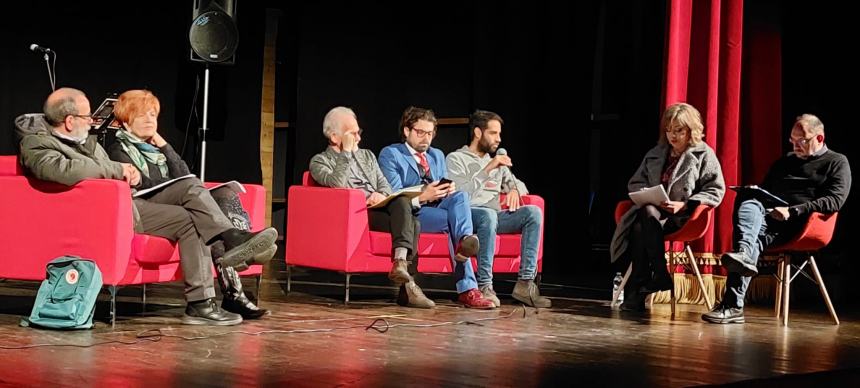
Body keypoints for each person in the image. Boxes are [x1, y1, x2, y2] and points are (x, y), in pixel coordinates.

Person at [16, 87, 278, 325]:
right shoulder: (37, 143)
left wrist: (131, 174)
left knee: (190, 201)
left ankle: (201, 301)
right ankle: (230, 242)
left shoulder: (89, 143)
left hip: (129, 204)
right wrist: (118, 169)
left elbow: (115, 171)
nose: (93, 122)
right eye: (87, 117)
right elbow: (62, 170)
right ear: (70, 121)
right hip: (106, 215)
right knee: (189, 201)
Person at [106, 89, 275, 319]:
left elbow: (183, 174)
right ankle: (234, 241)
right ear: (126, 122)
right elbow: (145, 184)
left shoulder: (157, 150)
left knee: (222, 195)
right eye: (141, 115)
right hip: (141, 207)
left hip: (167, 204)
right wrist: (175, 185)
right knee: (192, 190)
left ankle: (227, 288)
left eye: (153, 115)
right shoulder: (118, 149)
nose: (149, 120)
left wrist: (164, 146)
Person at [703, 114, 851, 324]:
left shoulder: (836, 162)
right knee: (749, 198)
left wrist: (792, 211)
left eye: (802, 140)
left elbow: (834, 201)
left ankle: (733, 305)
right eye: (792, 140)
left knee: (751, 239)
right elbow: (765, 193)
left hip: (801, 225)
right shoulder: (784, 163)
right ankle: (744, 255)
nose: (796, 145)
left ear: (819, 138)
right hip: (770, 218)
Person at [309, 106, 435, 308]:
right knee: (413, 224)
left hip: (378, 208)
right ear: (334, 137)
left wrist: (381, 195)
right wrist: (347, 154)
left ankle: (402, 269)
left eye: (359, 132)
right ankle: (408, 286)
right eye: (353, 134)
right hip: (356, 214)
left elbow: (384, 184)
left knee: (410, 217)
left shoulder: (367, 155)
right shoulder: (320, 161)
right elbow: (337, 184)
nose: (358, 138)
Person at [609, 102, 726, 312]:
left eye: (679, 131)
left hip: (682, 218)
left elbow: (716, 189)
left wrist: (685, 205)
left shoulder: (703, 154)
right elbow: (635, 182)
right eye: (669, 130)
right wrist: (648, 193)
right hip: (653, 213)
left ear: (691, 130)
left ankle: (639, 289)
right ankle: (659, 276)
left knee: (639, 227)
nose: (673, 136)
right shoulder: (656, 153)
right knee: (645, 216)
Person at [378, 106, 495, 309]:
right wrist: (423, 195)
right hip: (413, 211)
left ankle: (465, 241)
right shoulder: (391, 154)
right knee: (452, 221)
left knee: (459, 196)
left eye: (430, 134)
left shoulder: (437, 155)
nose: (426, 138)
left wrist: (447, 189)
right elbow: (394, 193)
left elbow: (441, 185)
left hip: (438, 206)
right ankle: (468, 289)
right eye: (420, 132)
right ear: (407, 131)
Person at [446, 110, 551, 308]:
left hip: (493, 216)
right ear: (478, 133)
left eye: (499, 134)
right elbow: (459, 194)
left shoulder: (498, 163)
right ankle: (485, 285)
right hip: (470, 215)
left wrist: (513, 189)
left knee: (533, 213)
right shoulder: (456, 158)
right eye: (493, 133)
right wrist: (488, 169)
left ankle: (525, 284)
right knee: (487, 215)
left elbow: (522, 186)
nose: (499, 139)